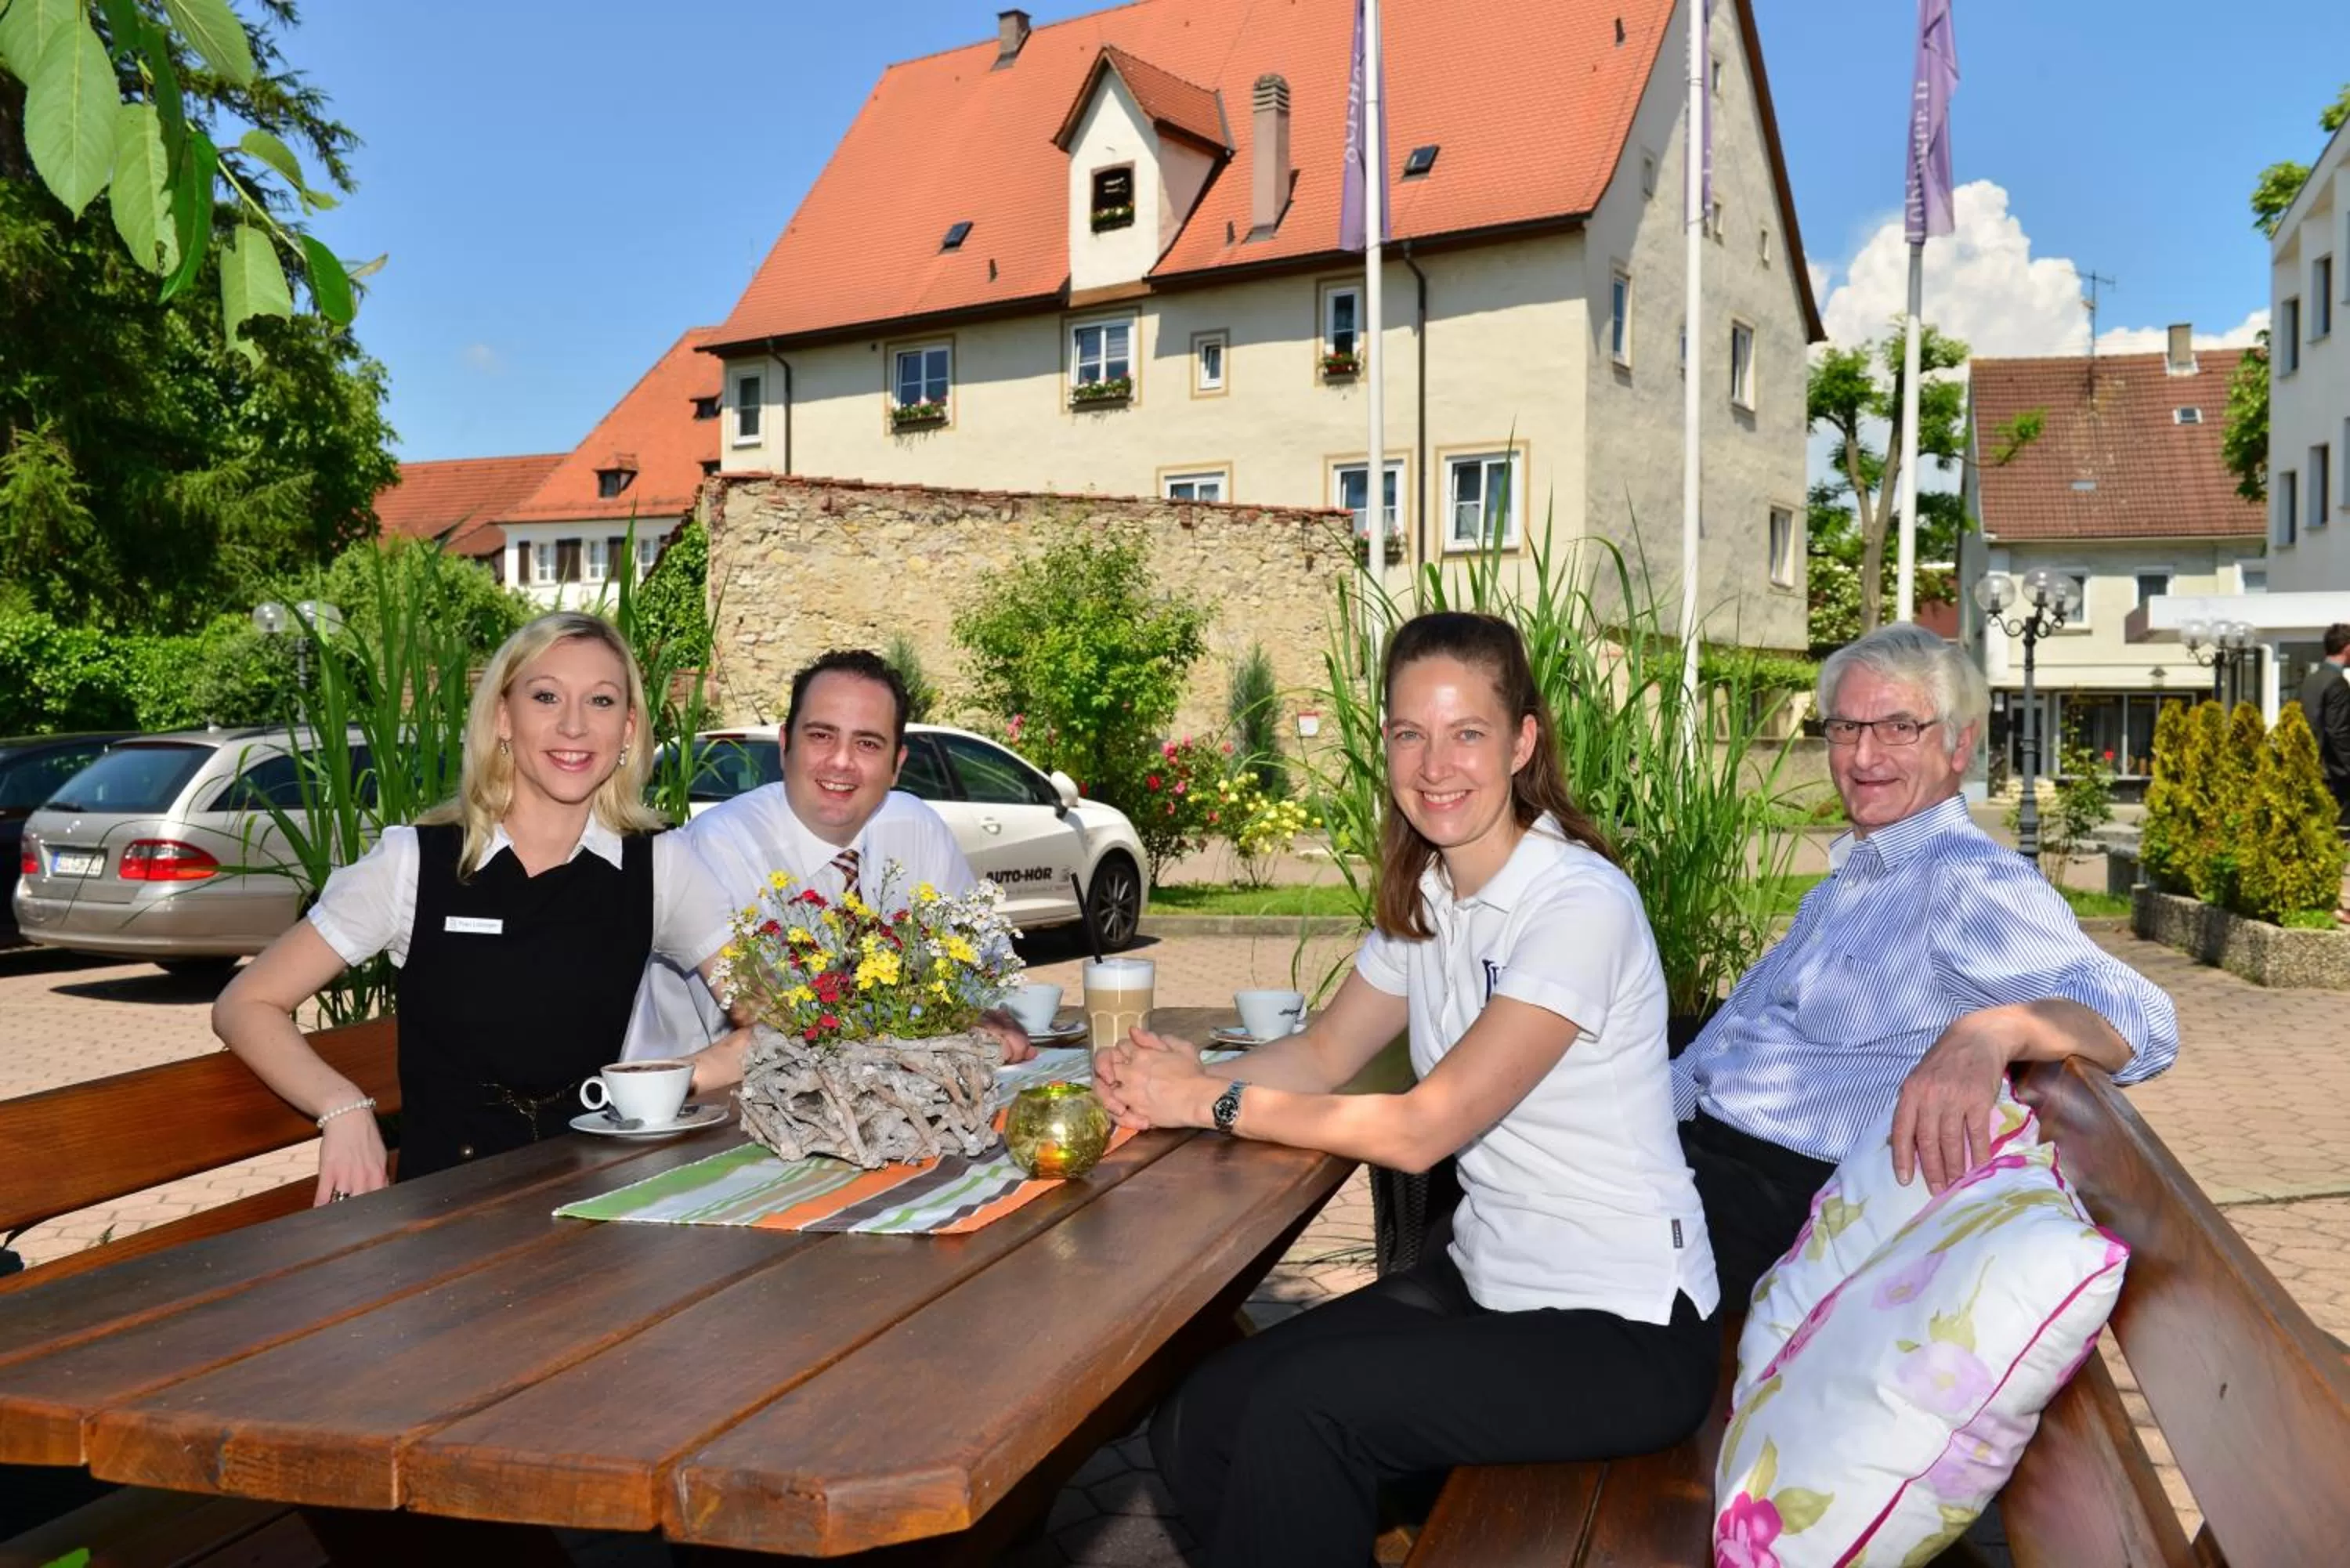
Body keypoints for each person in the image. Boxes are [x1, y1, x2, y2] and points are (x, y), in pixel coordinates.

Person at [1094, 612, 1719, 1568]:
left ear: (1521, 742)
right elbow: (1322, 1054)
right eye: (1408, 734)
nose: (1435, 764)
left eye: (1467, 732)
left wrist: (1203, 1104)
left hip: (1623, 1324)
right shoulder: (1428, 893)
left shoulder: (1578, 906)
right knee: (1202, 1416)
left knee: (1305, 1418)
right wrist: (1169, 1081)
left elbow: (1425, 1129)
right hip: (1489, 1279)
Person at [1673, 622, 2180, 1306]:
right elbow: (1722, 1044)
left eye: (1897, 727)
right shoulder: (1854, 878)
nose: (1863, 754)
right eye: (1846, 727)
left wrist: (1994, 1030)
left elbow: (2142, 1017)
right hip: (1708, 1156)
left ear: (1958, 743)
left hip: (1774, 1206)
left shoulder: (1964, 882)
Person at [214, 612, 738, 1201]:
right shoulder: (414, 864)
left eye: (600, 701)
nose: (573, 725)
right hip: (446, 1216)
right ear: (503, 718)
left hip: (593, 1203)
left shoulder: (658, 865)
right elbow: (247, 1001)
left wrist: (675, 1078)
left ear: (628, 729)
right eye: (546, 697)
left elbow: (786, 1016)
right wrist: (343, 1107)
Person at [623, 648, 1032, 1070]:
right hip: (697, 1109)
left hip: (868, 1096)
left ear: (897, 766)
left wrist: (986, 1015)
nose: (841, 761)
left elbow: (988, 973)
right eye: (821, 736)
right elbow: (781, 1023)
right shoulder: (719, 847)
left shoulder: (918, 829)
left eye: (868, 744)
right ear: (785, 746)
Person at [2294, 623, 2350, 831]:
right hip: (2334, 775)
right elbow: (2339, 732)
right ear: (2347, 648)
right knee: (2340, 834)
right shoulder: (2337, 683)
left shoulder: (2311, 680)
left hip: (2312, 767)